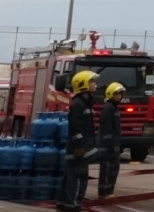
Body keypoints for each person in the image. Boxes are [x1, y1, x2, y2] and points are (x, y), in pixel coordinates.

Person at [59, 71, 98, 212]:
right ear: (83, 84)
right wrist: (80, 146)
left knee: (72, 176)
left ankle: (64, 203)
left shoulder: (86, 104)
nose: (95, 84)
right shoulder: (78, 104)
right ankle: (73, 205)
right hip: (78, 150)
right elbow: (76, 128)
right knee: (78, 177)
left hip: (81, 148)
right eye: (92, 81)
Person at [97, 82, 125, 198]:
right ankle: (105, 192)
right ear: (111, 94)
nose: (119, 96)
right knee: (108, 168)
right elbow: (107, 128)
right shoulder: (108, 108)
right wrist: (110, 145)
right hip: (108, 146)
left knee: (113, 168)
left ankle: (109, 191)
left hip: (113, 144)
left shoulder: (114, 108)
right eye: (117, 94)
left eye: (120, 94)